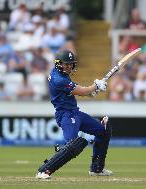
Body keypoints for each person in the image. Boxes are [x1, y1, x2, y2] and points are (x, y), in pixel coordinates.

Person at [36, 50, 113, 179]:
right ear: (58, 63)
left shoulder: (60, 74)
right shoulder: (58, 79)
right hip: (66, 115)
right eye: (66, 64)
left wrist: (92, 91)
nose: (69, 67)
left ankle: (97, 169)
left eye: (71, 64)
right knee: (73, 145)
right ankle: (44, 170)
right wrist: (95, 86)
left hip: (75, 113)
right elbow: (82, 91)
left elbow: (77, 92)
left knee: (103, 131)